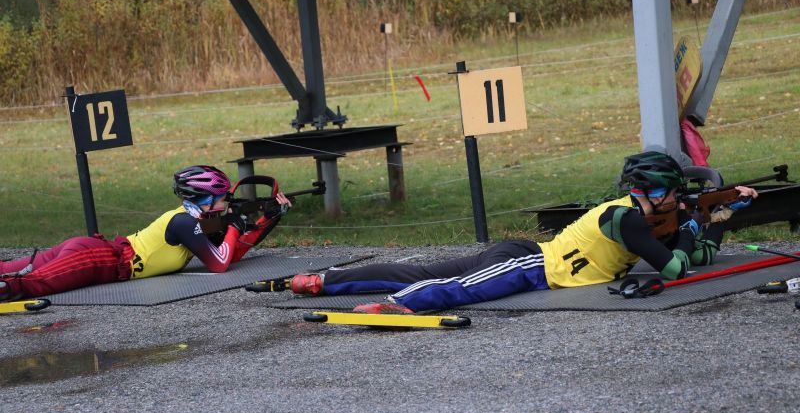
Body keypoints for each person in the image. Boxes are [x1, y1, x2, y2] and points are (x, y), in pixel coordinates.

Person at [290, 151, 758, 314]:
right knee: (458, 288)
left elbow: (698, 257)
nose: (679, 200)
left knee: (426, 270)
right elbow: (674, 268)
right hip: (532, 265)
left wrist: (717, 221)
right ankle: (396, 305)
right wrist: (693, 225)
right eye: (675, 194)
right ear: (654, 192)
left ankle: (323, 281)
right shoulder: (627, 219)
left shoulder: (641, 215)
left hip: (526, 255)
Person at [0, 165, 291, 301]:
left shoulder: (194, 220)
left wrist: (269, 218)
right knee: (31, 284)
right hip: (98, 259)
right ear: (206, 198)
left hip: (96, 253)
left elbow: (232, 252)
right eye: (222, 197)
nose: (226, 202)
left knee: (12, 269)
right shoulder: (183, 223)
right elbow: (219, 263)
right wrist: (234, 226)